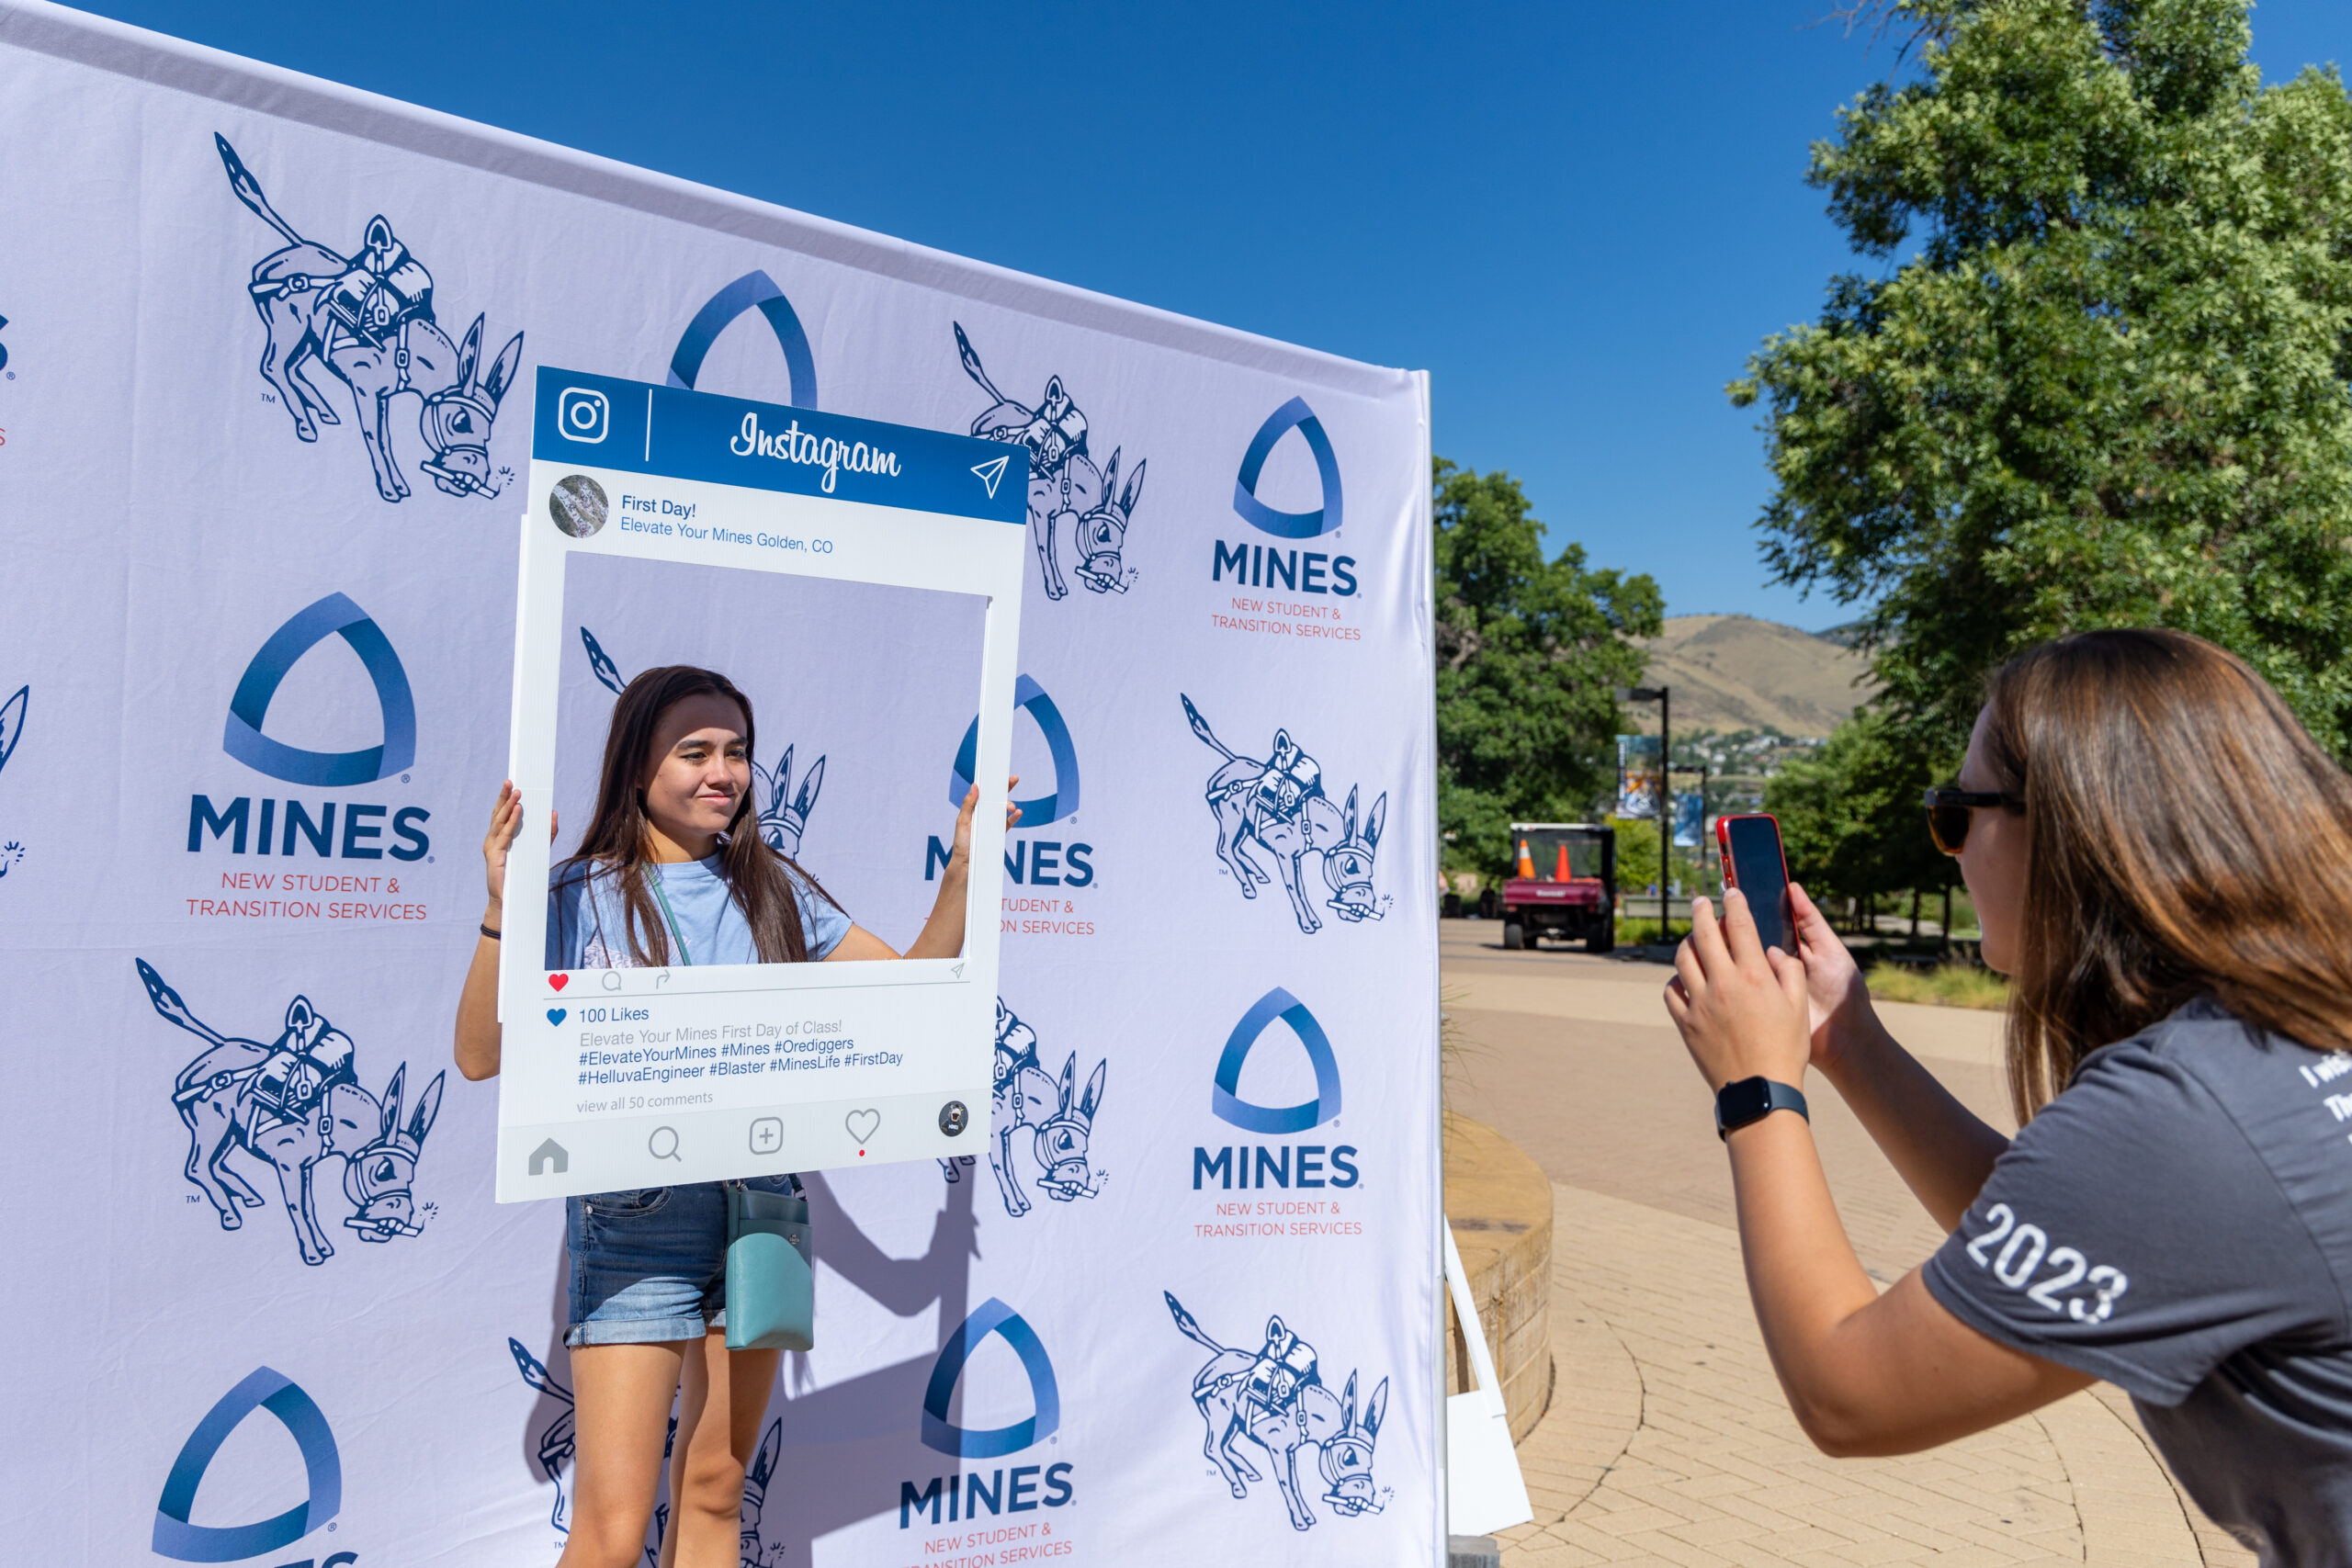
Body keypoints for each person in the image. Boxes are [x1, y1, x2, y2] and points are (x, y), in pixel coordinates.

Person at [1660, 629, 2352, 1563]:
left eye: (1956, 814)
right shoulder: (2288, 1035)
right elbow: (2091, 1229)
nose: (1947, 848)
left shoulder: (2191, 1107)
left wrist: (1755, 1086)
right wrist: (1848, 1043)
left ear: (2074, 831)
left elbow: (1850, 1392)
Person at [454, 665, 1013, 1568]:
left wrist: (962, 872)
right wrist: (497, 911)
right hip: (635, 1224)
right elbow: (481, 1055)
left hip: (763, 1219)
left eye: (737, 752)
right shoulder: (571, 895)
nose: (723, 772)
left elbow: (915, 993)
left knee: (716, 1490)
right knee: (611, 1521)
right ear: (637, 769)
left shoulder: (773, 890)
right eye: (695, 752)